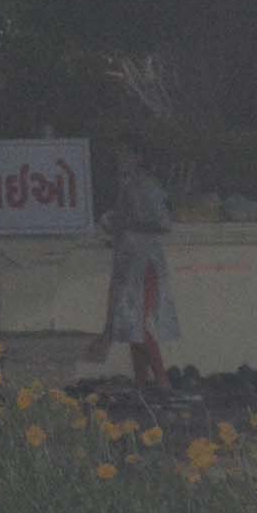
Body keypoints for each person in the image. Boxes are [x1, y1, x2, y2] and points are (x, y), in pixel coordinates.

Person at [90, 141, 181, 389]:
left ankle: (161, 379)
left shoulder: (146, 186)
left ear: (137, 156)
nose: (119, 157)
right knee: (129, 323)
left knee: (135, 323)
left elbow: (163, 223)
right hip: (128, 261)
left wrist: (126, 223)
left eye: (125, 152)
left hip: (143, 263)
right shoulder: (126, 185)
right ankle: (143, 381)